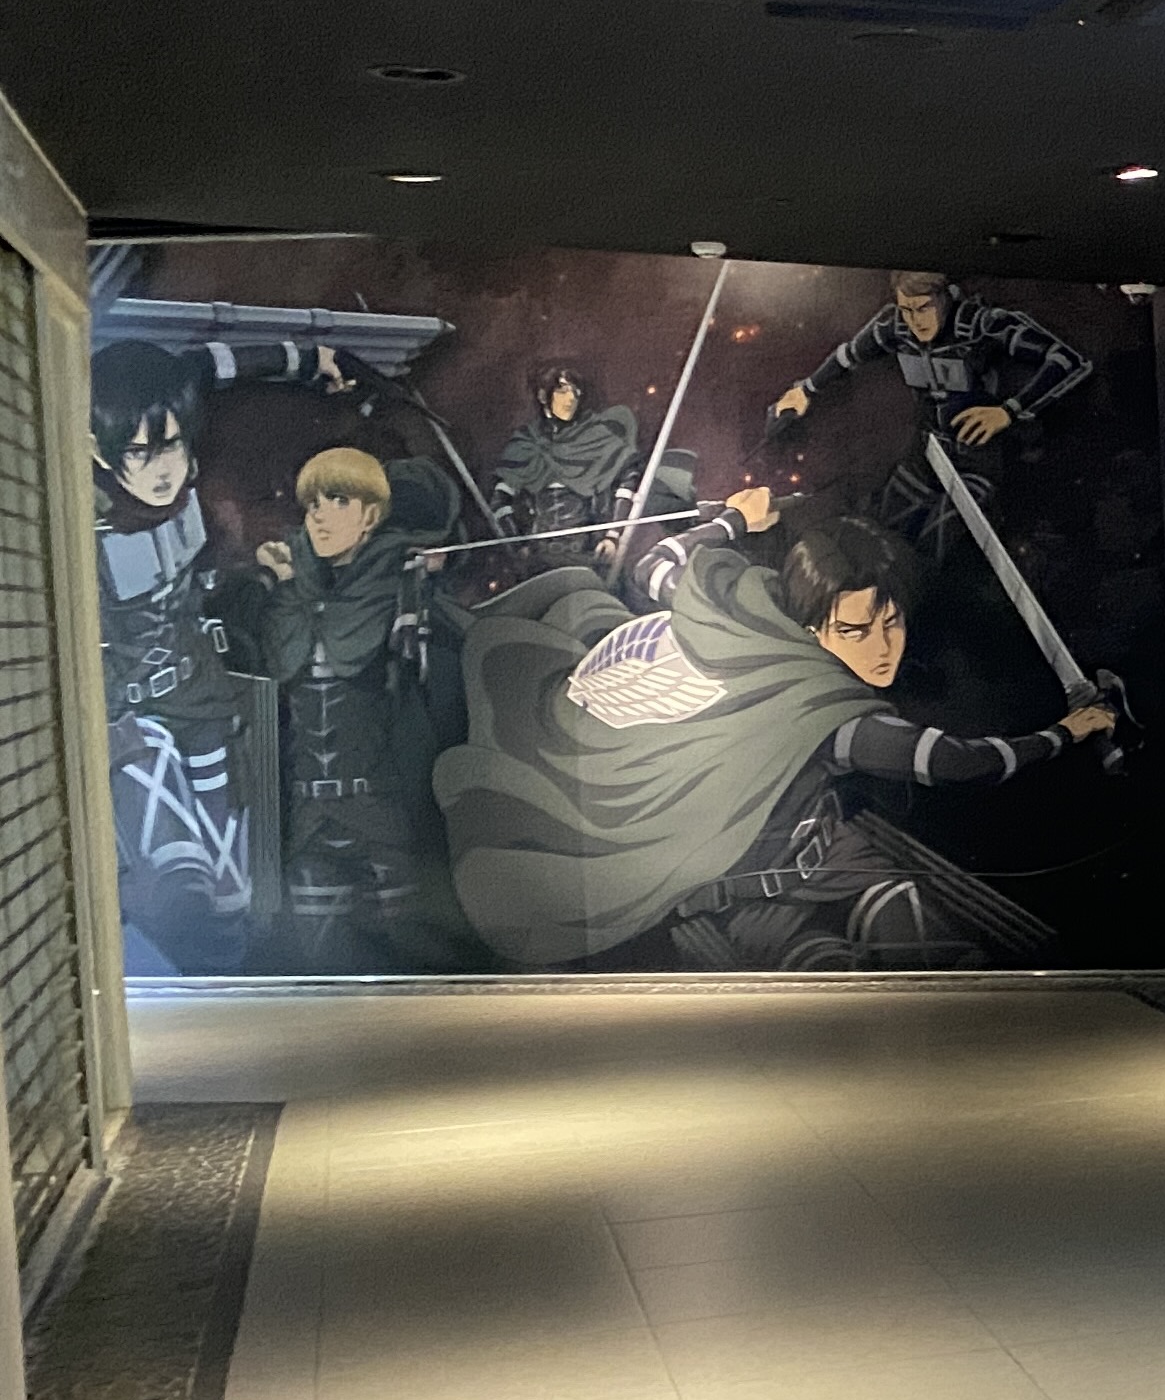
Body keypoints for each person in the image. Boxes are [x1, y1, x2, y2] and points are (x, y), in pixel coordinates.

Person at [435, 488, 1112, 970]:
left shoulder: (736, 611)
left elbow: (657, 565)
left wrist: (735, 518)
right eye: (856, 630)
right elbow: (960, 762)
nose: (884, 649)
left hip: (823, 850)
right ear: (815, 627)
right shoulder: (832, 715)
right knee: (820, 966)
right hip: (740, 882)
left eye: (892, 622)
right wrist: (1067, 732)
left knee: (919, 932)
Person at [87, 339, 351, 970]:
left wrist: (311, 358)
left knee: (234, 887)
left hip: (201, 700)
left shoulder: (176, 444)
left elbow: (212, 364)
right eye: (140, 452)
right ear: (98, 451)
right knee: (179, 883)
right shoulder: (78, 527)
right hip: (128, 717)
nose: (162, 468)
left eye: (172, 446)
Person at [221, 445, 467, 968]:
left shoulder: (397, 583)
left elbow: (428, 660)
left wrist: (422, 576)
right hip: (305, 811)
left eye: (338, 501)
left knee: (410, 947)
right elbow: (244, 648)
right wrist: (269, 582)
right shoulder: (289, 586)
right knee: (315, 956)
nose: (320, 516)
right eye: (313, 503)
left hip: (381, 806)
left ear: (371, 516)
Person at [767, 271, 1092, 556]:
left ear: (945, 297)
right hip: (925, 454)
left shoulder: (981, 324)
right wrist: (806, 389)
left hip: (974, 462)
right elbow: (848, 356)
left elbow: (1067, 360)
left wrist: (1009, 411)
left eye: (923, 308)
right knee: (882, 537)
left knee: (935, 546)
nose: (915, 320)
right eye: (906, 309)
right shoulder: (895, 326)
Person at [486, 359, 645, 538]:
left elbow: (629, 477)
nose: (570, 399)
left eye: (575, 392)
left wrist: (613, 535)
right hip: (538, 546)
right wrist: (517, 544)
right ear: (543, 396)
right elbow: (500, 500)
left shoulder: (596, 435)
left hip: (589, 543)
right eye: (562, 390)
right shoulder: (527, 441)